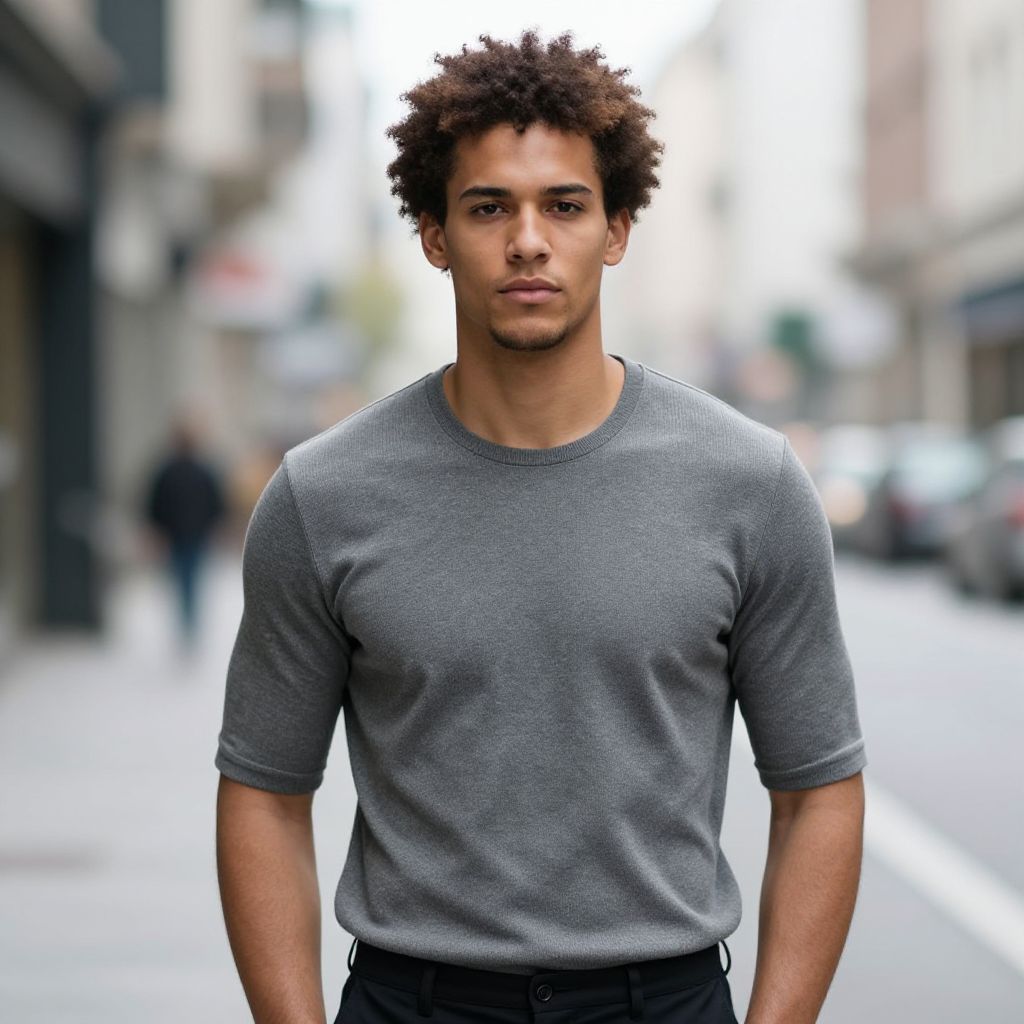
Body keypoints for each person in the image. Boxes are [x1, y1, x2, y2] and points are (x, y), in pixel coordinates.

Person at [214, 30, 867, 1024]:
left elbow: (819, 789)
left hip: (662, 998)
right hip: (413, 998)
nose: (528, 239)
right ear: (433, 234)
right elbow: (262, 792)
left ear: (616, 229)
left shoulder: (750, 481)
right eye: (488, 207)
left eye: (564, 205)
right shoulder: (323, 494)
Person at [143, 416, 226, 653]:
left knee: (187, 581)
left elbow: (215, 504)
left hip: (190, 536)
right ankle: (187, 626)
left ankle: (187, 627)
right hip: (181, 536)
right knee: (186, 581)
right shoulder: (187, 470)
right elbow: (155, 504)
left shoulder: (181, 470)